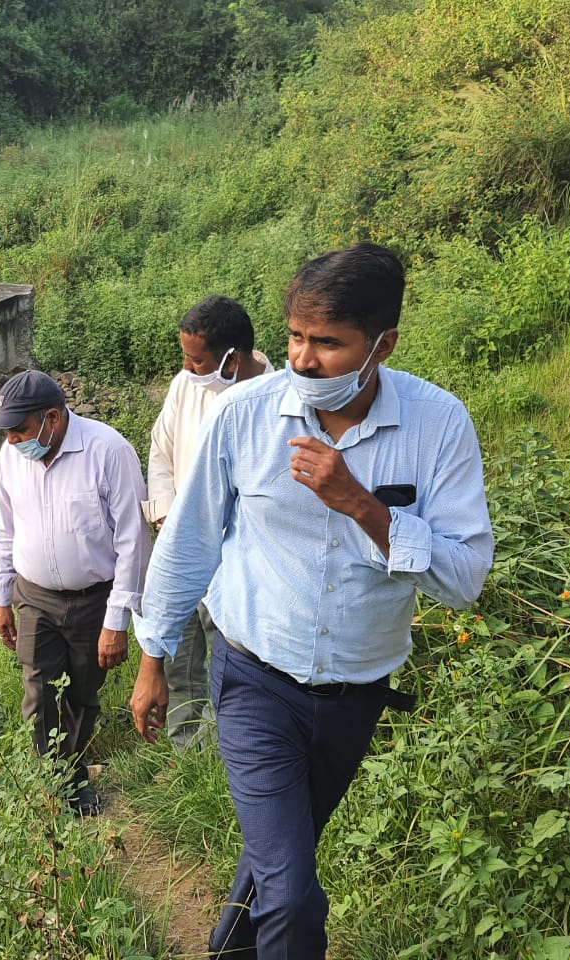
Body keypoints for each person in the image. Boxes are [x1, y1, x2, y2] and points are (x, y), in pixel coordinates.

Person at [129, 243, 494, 959]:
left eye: (328, 343)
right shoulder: (246, 414)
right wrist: (154, 655)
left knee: (276, 866)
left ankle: (229, 950)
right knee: (293, 894)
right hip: (254, 679)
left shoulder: (439, 425)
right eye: (296, 335)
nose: (302, 358)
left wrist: (364, 506)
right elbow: (191, 539)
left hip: (355, 694)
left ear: (382, 344)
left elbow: (464, 579)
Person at [0, 370, 151, 816]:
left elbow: (133, 542)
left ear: (53, 419)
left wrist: (116, 622)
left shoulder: (108, 451)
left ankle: (75, 777)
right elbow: (5, 528)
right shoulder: (11, 459)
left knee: (82, 692)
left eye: (20, 431)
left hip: (93, 600)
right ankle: (51, 782)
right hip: (34, 595)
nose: (12, 441)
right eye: (7, 432)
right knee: (39, 691)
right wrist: (2, 595)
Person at [145, 295, 270, 750]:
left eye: (197, 360)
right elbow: (161, 450)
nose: (187, 367)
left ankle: (221, 761)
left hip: (234, 562)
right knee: (180, 658)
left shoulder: (271, 404)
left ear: (232, 359)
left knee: (228, 666)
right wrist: (165, 510)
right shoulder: (186, 386)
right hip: (182, 546)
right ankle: (182, 754)